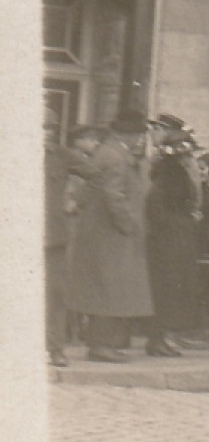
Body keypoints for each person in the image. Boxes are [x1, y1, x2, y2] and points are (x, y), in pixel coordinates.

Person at [66, 111, 154, 363]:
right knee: (110, 289)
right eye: (139, 135)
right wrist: (129, 224)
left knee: (107, 288)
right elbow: (113, 195)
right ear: (131, 134)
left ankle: (104, 344)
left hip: (105, 232)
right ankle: (102, 346)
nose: (140, 140)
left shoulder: (109, 152)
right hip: (112, 233)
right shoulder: (116, 156)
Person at [143, 120, 201, 357]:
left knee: (167, 286)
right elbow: (156, 201)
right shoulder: (172, 169)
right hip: (171, 235)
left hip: (172, 232)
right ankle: (157, 339)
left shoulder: (170, 168)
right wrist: (170, 225)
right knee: (166, 286)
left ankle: (159, 337)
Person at [44, 109, 71, 367]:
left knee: (55, 294)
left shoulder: (62, 156)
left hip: (53, 237)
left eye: (48, 127)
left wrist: (74, 201)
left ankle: (56, 349)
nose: (44, 133)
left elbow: (95, 175)